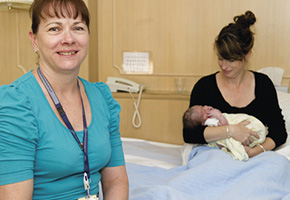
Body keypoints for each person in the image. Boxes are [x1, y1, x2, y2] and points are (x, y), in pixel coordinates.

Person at [0, 0, 129, 199]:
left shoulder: (102, 97)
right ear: (34, 40)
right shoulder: (16, 104)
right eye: (54, 29)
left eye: (78, 28)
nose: (68, 39)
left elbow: (116, 181)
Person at [183, 10, 287, 159]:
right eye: (220, 58)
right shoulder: (204, 87)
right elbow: (190, 134)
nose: (224, 66)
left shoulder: (263, 85)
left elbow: (279, 133)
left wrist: (252, 153)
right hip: (215, 158)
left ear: (247, 55)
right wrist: (231, 130)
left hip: (255, 158)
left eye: (231, 60)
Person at [183, 105, 267, 161]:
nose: (206, 108)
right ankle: (242, 154)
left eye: (203, 106)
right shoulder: (210, 122)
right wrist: (219, 115)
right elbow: (224, 125)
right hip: (227, 139)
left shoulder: (208, 116)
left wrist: (255, 151)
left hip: (250, 135)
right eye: (203, 112)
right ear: (202, 123)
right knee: (233, 144)